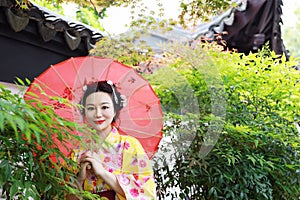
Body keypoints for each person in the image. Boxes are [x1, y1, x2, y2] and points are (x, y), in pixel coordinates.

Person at [66, 81, 156, 200]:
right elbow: (65, 196)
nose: (98, 114)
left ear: (115, 110)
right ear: (84, 112)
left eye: (104, 107)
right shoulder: (78, 151)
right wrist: (81, 177)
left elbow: (147, 193)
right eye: (91, 108)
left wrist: (102, 173)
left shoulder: (130, 145)